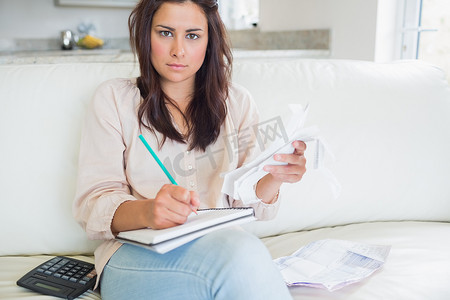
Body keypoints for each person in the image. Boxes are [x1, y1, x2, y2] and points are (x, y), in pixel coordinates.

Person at [73, 0, 307, 299]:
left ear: (210, 41)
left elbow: (249, 205)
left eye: (193, 35)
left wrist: (276, 175)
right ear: (146, 35)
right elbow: (93, 206)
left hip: (221, 248)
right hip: (137, 253)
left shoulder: (237, 102)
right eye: (165, 33)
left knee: (241, 254)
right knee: (243, 255)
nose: (178, 51)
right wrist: (148, 211)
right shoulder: (114, 100)